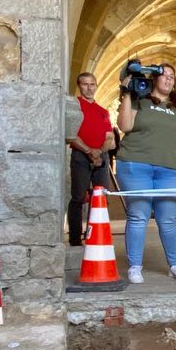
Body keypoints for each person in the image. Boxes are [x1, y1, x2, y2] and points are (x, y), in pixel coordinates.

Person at [116, 64, 176, 284]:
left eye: (172, 76)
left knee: (168, 219)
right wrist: (127, 93)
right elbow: (124, 125)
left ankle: (175, 264)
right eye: (163, 75)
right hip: (136, 165)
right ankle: (135, 266)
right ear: (154, 79)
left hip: (169, 170)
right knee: (138, 216)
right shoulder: (140, 100)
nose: (168, 79)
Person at [67, 72, 114, 246]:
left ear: (96, 86)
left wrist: (99, 152)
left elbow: (110, 138)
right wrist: (89, 151)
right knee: (78, 197)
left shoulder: (103, 111)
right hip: (81, 155)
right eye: (85, 84)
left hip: (101, 157)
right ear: (79, 86)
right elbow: (70, 135)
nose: (89, 88)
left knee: (100, 196)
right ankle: (74, 239)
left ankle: (94, 236)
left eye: (92, 84)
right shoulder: (74, 107)